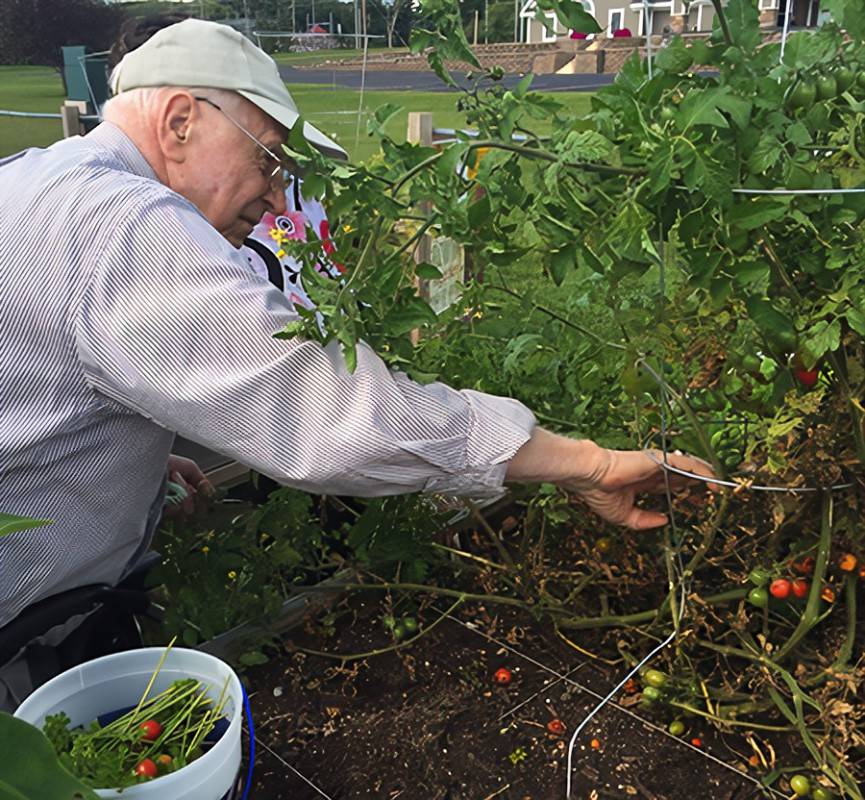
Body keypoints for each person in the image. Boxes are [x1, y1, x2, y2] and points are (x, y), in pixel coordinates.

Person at [0, 19, 713, 708]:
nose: (279, 194)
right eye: (269, 157)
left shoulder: (37, 181)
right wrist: (585, 463)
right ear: (181, 120)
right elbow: (340, 419)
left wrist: (125, 456)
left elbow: (36, 381)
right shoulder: (126, 227)